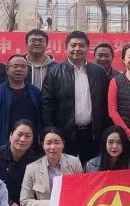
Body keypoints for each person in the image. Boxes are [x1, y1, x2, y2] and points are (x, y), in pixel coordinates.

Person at [40, 30, 110, 164]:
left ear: (87, 48)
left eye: (81, 45)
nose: (77, 49)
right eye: (73, 45)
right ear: (66, 48)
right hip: (65, 134)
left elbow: (106, 103)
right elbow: (46, 104)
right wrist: (51, 131)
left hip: (93, 134)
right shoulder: (54, 72)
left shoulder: (99, 71)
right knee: (66, 169)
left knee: (91, 169)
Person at [21, 128, 83, 206]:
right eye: (48, 143)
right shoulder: (32, 168)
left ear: (63, 144)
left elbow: (82, 192)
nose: (53, 147)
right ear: (43, 145)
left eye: (57, 143)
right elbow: (24, 201)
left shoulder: (74, 163)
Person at [0, 119, 43, 206]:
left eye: (28, 136)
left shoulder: (36, 161)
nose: (22, 139)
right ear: (11, 135)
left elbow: (37, 191)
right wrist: (12, 205)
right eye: (19, 134)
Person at [0, 54, 42, 148]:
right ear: (7, 70)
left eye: (23, 66)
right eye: (15, 66)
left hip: (31, 144)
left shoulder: (35, 92)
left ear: (27, 70)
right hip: (5, 144)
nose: (19, 69)